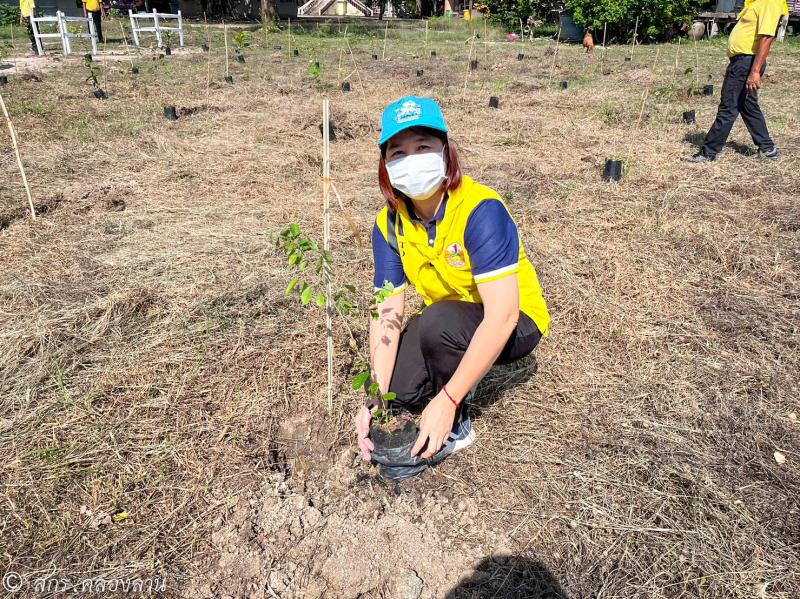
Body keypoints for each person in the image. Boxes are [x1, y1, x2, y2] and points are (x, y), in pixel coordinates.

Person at [355, 96, 551, 470]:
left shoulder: (481, 209)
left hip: (516, 320)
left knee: (438, 323)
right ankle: (438, 383)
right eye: (397, 152)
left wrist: (448, 400)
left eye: (423, 147)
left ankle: (458, 423)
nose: (410, 160)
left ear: (446, 152)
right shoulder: (389, 224)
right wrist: (375, 395)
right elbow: (387, 311)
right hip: (449, 319)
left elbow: (503, 316)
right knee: (401, 391)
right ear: (385, 165)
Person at [683, 0, 788, 163]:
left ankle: (708, 152)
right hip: (744, 61)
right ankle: (768, 149)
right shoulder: (757, 2)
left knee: (728, 106)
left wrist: (755, 71)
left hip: (746, 62)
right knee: (748, 105)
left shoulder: (769, 1)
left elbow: (767, 37)